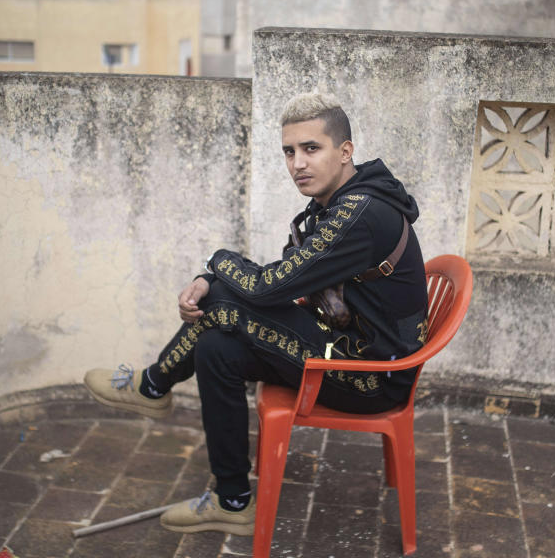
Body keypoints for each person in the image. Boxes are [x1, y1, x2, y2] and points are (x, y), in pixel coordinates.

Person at [84, 92, 428, 536]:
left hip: (370, 376)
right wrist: (210, 278)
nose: (298, 163)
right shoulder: (344, 201)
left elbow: (268, 289)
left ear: (345, 152)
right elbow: (284, 278)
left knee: (223, 303)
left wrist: (216, 261)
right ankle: (233, 501)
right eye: (289, 151)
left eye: (311, 148)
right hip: (344, 346)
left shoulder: (358, 215)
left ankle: (153, 385)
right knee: (215, 346)